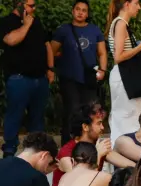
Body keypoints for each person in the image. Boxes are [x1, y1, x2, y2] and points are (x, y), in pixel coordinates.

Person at [0, 0, 55, 157]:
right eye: (30, 5)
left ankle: (36, 151)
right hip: (19, 78)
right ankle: (9, 151)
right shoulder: (7, 22)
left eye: (34, 5)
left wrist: (50, 68)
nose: (33, 8)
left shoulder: (37, 22)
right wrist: (26, 25)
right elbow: (11, 40)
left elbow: (47, 45)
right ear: (19, 4)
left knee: (37, 118)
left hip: (40, 78)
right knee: (14, 115)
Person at [50, 0, 108, 145]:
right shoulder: (64, 30)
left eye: (84, 10)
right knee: (72, 111)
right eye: (78, 9)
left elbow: (102, 52)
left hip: (89, 79)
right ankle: (68, 146)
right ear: (73, 11)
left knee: (91, 111)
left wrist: (102, 69)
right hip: (69, 78)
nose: (80, 12)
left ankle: (88, 144)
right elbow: (51, 50)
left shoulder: (94, 30)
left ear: (87, 14)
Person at [106, 0, 141, 146]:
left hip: (127, 76)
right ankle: (123, 153)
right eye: (136, 3)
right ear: (127, 4)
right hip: (124, 76)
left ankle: (130, 152)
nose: (139, 7)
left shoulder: (122, 24)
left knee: (134, 116)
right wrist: (140, 47)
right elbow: (118, 57)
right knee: (126, 117)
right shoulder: (121, 23)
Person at [52, 103, 131, 186]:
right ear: (85, 127)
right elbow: (84, 183)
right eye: (99, 123)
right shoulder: (66, 154)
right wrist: (97, 154)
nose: (102, 127)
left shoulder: (97, 145)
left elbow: (128, 164)